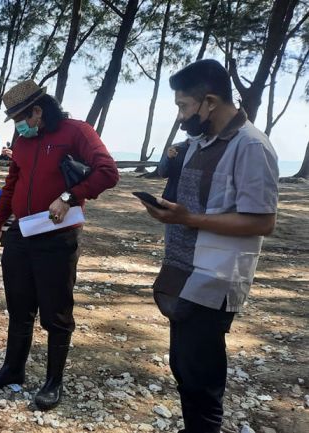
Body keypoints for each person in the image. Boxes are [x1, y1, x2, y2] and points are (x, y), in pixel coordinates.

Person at [138, 59, 279, 433]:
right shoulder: (202, 142)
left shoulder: (250, 146)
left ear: (210, 102)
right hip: (183, 270)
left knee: (203, 374)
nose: (182, 116)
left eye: (185, 106)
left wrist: (188, 219)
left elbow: (263, 221)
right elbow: (195, 201)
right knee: (183, 365)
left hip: (215, 278)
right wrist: (170, 212)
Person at [0, 80, 119, 410]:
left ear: (38, 111)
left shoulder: (77, 132)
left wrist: (69, 197)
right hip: (21, 234)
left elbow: (108, 172)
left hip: (57, 238)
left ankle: (53, 381)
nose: (17, 126)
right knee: (19, 307)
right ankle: (13, 370)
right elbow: (13, 182)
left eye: (20, 118)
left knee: (56, 313)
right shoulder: (23, 139)